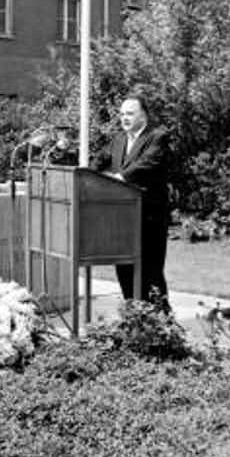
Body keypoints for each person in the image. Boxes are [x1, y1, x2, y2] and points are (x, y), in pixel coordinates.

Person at [96, 94, 170, 306]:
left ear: (143, 116)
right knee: (124, 270)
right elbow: (100, 160)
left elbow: (147, 164)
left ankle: (162, 324)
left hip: (149, 219)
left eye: (130, 113)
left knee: (151, 272)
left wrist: (120, 178)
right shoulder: (119, 139)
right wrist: (83, 173)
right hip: (122, 219)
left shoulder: (157, 136)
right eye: (121, 114)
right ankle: (132, 319)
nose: (124, 118)